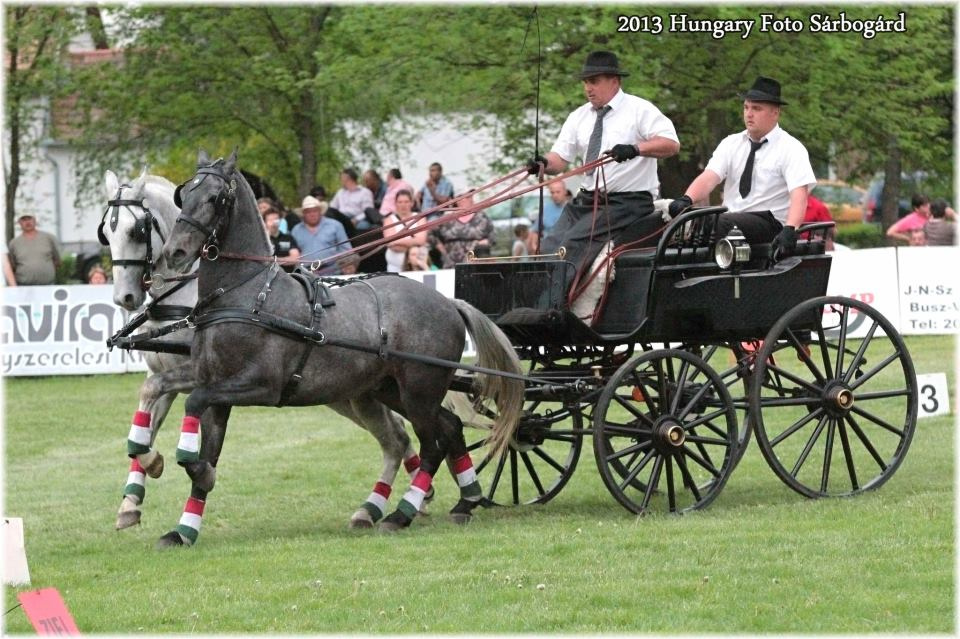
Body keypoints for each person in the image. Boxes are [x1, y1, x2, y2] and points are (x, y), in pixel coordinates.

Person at [528, 50, 680, 292]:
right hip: (587, 200)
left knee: (573, 242)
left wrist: (635, 149)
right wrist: (542, 163)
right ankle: (538, 298)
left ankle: (555, 304)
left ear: (614, 81)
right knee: (550, 244)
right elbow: (560, 159)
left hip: (628, 202)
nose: (589, 88)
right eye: (586, 82)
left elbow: (671, 144)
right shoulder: (578, 116)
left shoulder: (640, 110)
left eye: (595, 81)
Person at [669, 76, 816, 256]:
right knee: (688, 221)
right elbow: (709, 177)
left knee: (717, 224)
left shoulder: (791, 148)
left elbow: (799, 195)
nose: (749, 114)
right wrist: (687, 199)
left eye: (756, 108)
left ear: (775, 113)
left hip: (769, 222)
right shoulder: (731, 143)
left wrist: (791, 228)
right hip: (731, 218)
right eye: (746, 107)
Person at [428, 190, 494, 269]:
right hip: (451, 264)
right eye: (462, 197)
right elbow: (431, 235)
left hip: (476, 264)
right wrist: (441, 249)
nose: (466, 199)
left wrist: (484, 243)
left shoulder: (482, 216)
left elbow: (492, 236)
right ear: (456, 199)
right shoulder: (447, 218)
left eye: (469, 196)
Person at [290, 195, 349, 275]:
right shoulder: (296, 230)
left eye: (315, 211)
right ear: (303, 214)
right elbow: (293, 255)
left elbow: (346, 250)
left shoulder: (335, 225)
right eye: (308, 212)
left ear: (320, 211)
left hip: (332, 272)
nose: (312, 214)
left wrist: (347, 266)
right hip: (305, 274)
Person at [381, 190, 428, 273]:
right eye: (400, 202)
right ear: (395, 203)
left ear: (412, 203)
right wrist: (413, 244)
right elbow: (391, 244)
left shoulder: (420, 218)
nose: (403, 205)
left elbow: (421, 240)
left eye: (406, 202)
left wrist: (397, 241)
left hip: (416, 268)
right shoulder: (389, 220)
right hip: (394, 269)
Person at [9, 214, 61, 285]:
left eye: (29, 219)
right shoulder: (13, 243)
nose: (27, 222)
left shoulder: (49, 238)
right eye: (24, 220)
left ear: (35, 221)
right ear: (19, 223)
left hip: (48, 285)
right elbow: (12, 266)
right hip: (23, 285)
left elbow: (57, 261)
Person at [528, 181, 570, 252]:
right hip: (547, 250)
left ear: (565, 192)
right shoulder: (545, 208)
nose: (555, 195)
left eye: (558, 192)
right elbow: (536, 230)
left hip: (566, 250)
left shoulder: (572, 208)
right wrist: (534, 246)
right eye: (552, 192)